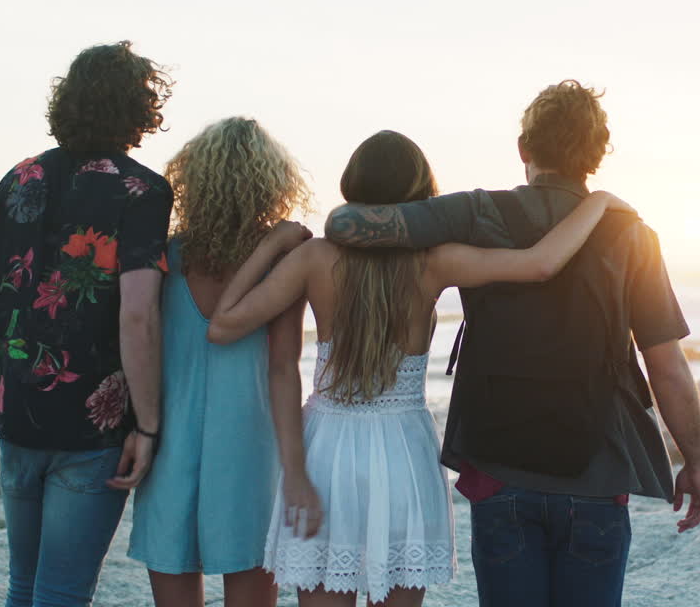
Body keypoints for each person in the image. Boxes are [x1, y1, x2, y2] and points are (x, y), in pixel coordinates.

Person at [323, 81, 700, 607]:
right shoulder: (632, 235)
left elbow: (345, 223)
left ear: (524, 148)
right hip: (595, 474)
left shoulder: (476, 212)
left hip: (500, 470)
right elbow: (665, 362)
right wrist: (696, 461)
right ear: (596, 155)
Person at [205, 130, 629, 607]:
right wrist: (598, 203)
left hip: (326, 452)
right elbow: (541, 264)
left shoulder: (313, 257)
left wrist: (273, 243)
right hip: (402, 450)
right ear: (420, 195)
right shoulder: (433, 261)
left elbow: (223, 326)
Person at [0, 41, 174, 607]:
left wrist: (6, 369)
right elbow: (137, 312)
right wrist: (148, 427)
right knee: (61, 592)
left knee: (23, 586)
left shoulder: (20, 178)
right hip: (90, 431)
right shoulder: (143, 190)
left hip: (17, 415)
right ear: (139, 108)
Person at [127, 117, 312, 607]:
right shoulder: (281, 263)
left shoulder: (162, 256)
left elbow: (136, 337)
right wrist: (294, 468)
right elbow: (283, 368)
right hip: (250, 444)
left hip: (169, 436)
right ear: (271, 185)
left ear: (193, 180)